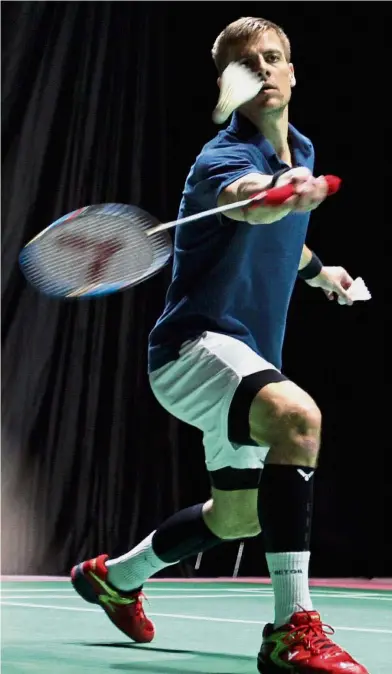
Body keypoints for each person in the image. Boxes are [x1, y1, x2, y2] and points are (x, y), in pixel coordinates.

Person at [71, 17, 368, 674]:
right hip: (192, 350)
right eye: (245, 64)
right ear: (228, 86)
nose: (262, 69)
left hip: (246, 356)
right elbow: (248, 204)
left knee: (237, 519)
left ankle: (114, 576)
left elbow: (284, 240)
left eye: (273, 57)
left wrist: (323, 274)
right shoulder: (224, 159)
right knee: (298, 418)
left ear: (292, 71)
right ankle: (292, 631)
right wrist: (277, 196)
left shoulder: (304, 149)